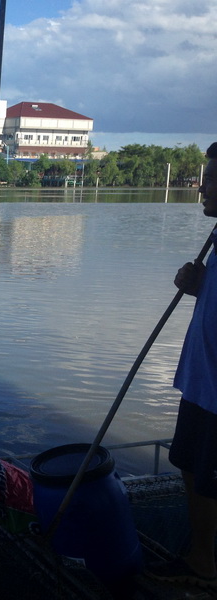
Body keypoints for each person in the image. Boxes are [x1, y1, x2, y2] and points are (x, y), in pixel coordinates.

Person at [148, 142, 217, 590]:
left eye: (210, 180)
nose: (200, 189)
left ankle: (206, 566)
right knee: (190, 467)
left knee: (210, 479)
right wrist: (198, 285)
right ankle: (200, 555)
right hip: (200, 383)